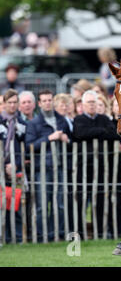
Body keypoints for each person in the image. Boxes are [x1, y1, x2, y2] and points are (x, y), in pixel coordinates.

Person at [72, 90, 121, 238]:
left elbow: (113, 134)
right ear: (83, 104)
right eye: (89, 103)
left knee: (100, 200)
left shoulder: (104, 118)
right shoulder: (79, 119)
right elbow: (80, 133)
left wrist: (94, 132)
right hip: (83, 166)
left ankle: (99, 231)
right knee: (82, 201)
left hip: (102, 167)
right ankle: (79, 232)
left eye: (94, 102)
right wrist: (101, 131)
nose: (92, 105)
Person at [25, 89, 71, 241]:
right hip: (42, 169)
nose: (47, 103)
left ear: (53, 101)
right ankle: (42, 235)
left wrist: (66, 139)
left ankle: (58, 234)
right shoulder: (34, 123)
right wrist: (49, 137)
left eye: (49, 100)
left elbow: (72, 142)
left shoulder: (61, 120)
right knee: (42, 205)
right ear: (39, 103)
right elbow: (30, 146)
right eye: (44, 100)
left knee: (60, 205)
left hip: (60, 167)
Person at [0, 89, 27, 243]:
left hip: (17, 168)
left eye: (14, 102)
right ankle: (3, 236)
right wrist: (4, 165)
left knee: (16, 203)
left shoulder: (22, 123)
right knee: (1, 204)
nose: (12, 105)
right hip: (1, 168)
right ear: (4, 103)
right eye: (9, 102)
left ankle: (16, 237)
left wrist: (17, 165)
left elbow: (25, 145)